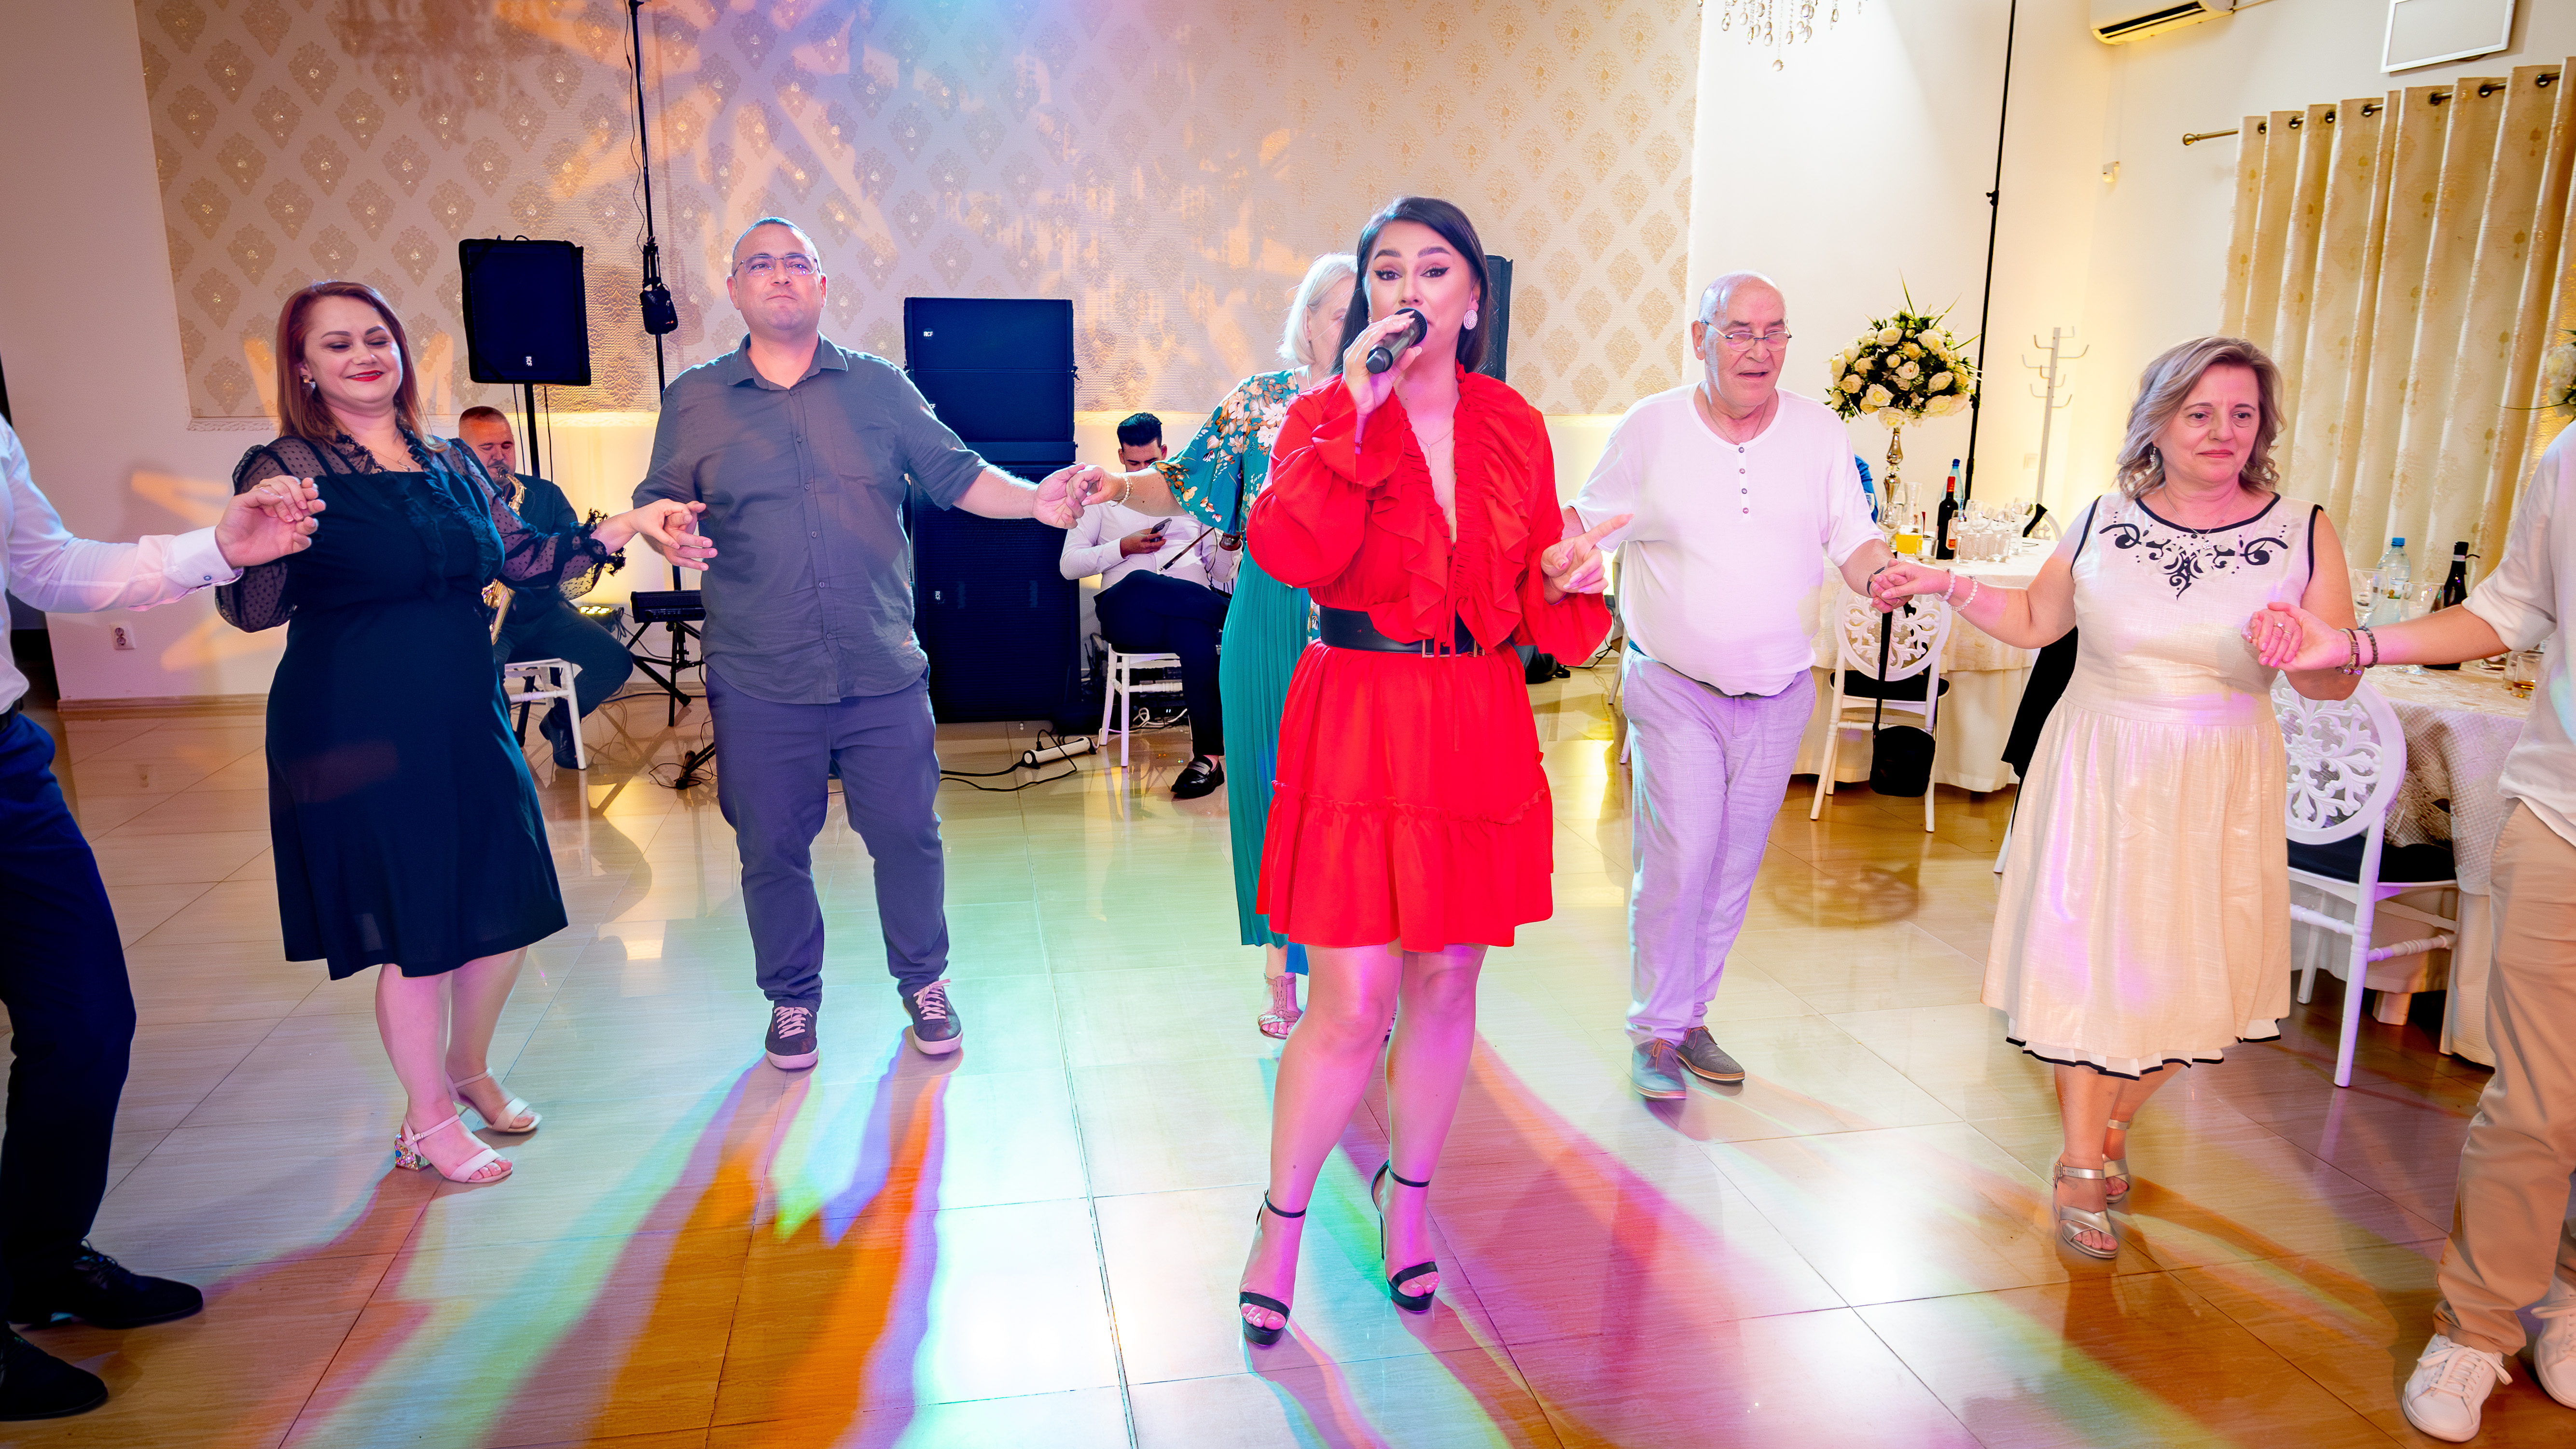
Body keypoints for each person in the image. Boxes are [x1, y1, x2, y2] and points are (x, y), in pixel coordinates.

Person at [1870, 336, 2356, 1262]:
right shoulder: (2101, 518)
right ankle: (2078, 1161)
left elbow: (2330, 680)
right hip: (2096, 767)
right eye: (2197, 412)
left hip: (2219, 782)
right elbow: (2032, 621)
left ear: (2262, 427)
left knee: (2199, 976)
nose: (2220, 431)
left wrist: (2308, 648)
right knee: (2085, 968)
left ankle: (2114, 1117)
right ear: (2157, 423)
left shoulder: (2303, 529)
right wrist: (1946, 582)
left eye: (2241, 413)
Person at [1229, 197, 1620, 1344]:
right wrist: (1353, 409)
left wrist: (1564, 572)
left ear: (1473, 300)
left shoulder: (1513, 422)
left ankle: (1407, 1202)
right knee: (1351, 999)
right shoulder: (1322, 410)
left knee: (1446, 981)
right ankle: (1280, 1219)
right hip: (1357, 711)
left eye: (1433, 268)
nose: (1407, 287)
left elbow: (1534, 600)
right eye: (1386, 269)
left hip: (1473, 713)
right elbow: (1288, 551)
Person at [218, 281, 706, 1189]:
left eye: (376, 337)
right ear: (303, 367)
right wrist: (245, 535)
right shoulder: (286, 466)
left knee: (504, 905)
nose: (364, 355)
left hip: (461, 710)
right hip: (354, 720)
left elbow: (527, 558)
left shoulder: (450, 460)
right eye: (336, 344)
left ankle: (466, 1070)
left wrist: (630, 525)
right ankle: (427, 1121)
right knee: (422, 929)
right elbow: (252, 609)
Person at [631, 217, 1103, 1073]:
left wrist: (1035, 500)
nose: (780, 275)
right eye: (760, 264)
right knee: (770, 849)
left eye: (797, 263)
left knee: (909, 837)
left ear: (822, 286)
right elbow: (660, 495)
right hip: (759, 674)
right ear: (734, 289)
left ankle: (925, 982)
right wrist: (662, 525)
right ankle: (791, 999)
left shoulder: (880, 386)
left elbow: (958, 474)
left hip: (879, 668)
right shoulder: (694, 398)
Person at [2252, 427, 2576, 1442]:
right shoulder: (2571, 456)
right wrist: (2351, 646)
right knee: (2535, 1100)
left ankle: (2569, 1296)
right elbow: (2509, 607)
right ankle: (2474, 1330)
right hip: (2562, 817)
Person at [0, 420, 319, 1420]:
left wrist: (216, 548)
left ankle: (37, 1261)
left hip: (5, 764)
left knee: (87, 1022)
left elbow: (40, 564)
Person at [1570, 271, 1893, 1100]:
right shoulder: (1650, 428)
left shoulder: (1819, 432)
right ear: (1700, 339)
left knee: (1731, 867)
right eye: (1739, 331)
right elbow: (1585, 525)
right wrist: (1561, 554)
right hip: (1674, 685)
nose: (1759, 348)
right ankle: (1653, 1027)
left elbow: (1853, 537)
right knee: (1681, 857)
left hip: (1778, 691)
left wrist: (1881, 574)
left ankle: (1689, 1017)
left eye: (1773, 331)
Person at [1102, 252, 1357, 1037]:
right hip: (1270, 609)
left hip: (1360, 620)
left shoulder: (1396, 406)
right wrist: (1113, 487)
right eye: (1338, 312)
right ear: (1307, 322)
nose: (1353, 327)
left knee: (1353, 802)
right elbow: (1183, 481)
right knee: (1270, 793)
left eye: (1366, 313)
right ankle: (1281, 970)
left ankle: (1357, 976)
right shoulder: (1260, 402)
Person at [1060, 413, 1236, 795]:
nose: (1141, 470)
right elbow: (1069, 566)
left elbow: (1219, 572)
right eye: (1133, 463)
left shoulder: (1190, 498)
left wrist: (1228, 543)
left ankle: (1208, 760)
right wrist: (1123, 548)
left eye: (1151, 462)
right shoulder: (1100, 500)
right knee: (1141, 582)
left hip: (1186, 612)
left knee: (1196, 635)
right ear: (1120, 457)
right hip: (1128, 615)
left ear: (1165, 452)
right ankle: (1235, 616)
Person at [457, 406, 637, 768]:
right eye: (486, 447)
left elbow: (571, 551)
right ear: (462, 451)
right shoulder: (452, 499)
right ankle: (503, 750)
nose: (499, 455)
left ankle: (561, 722)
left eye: (506, 445)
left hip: (545, 613)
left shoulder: (545, 494)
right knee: (481, 676)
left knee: (615, 662)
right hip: (487, 622)